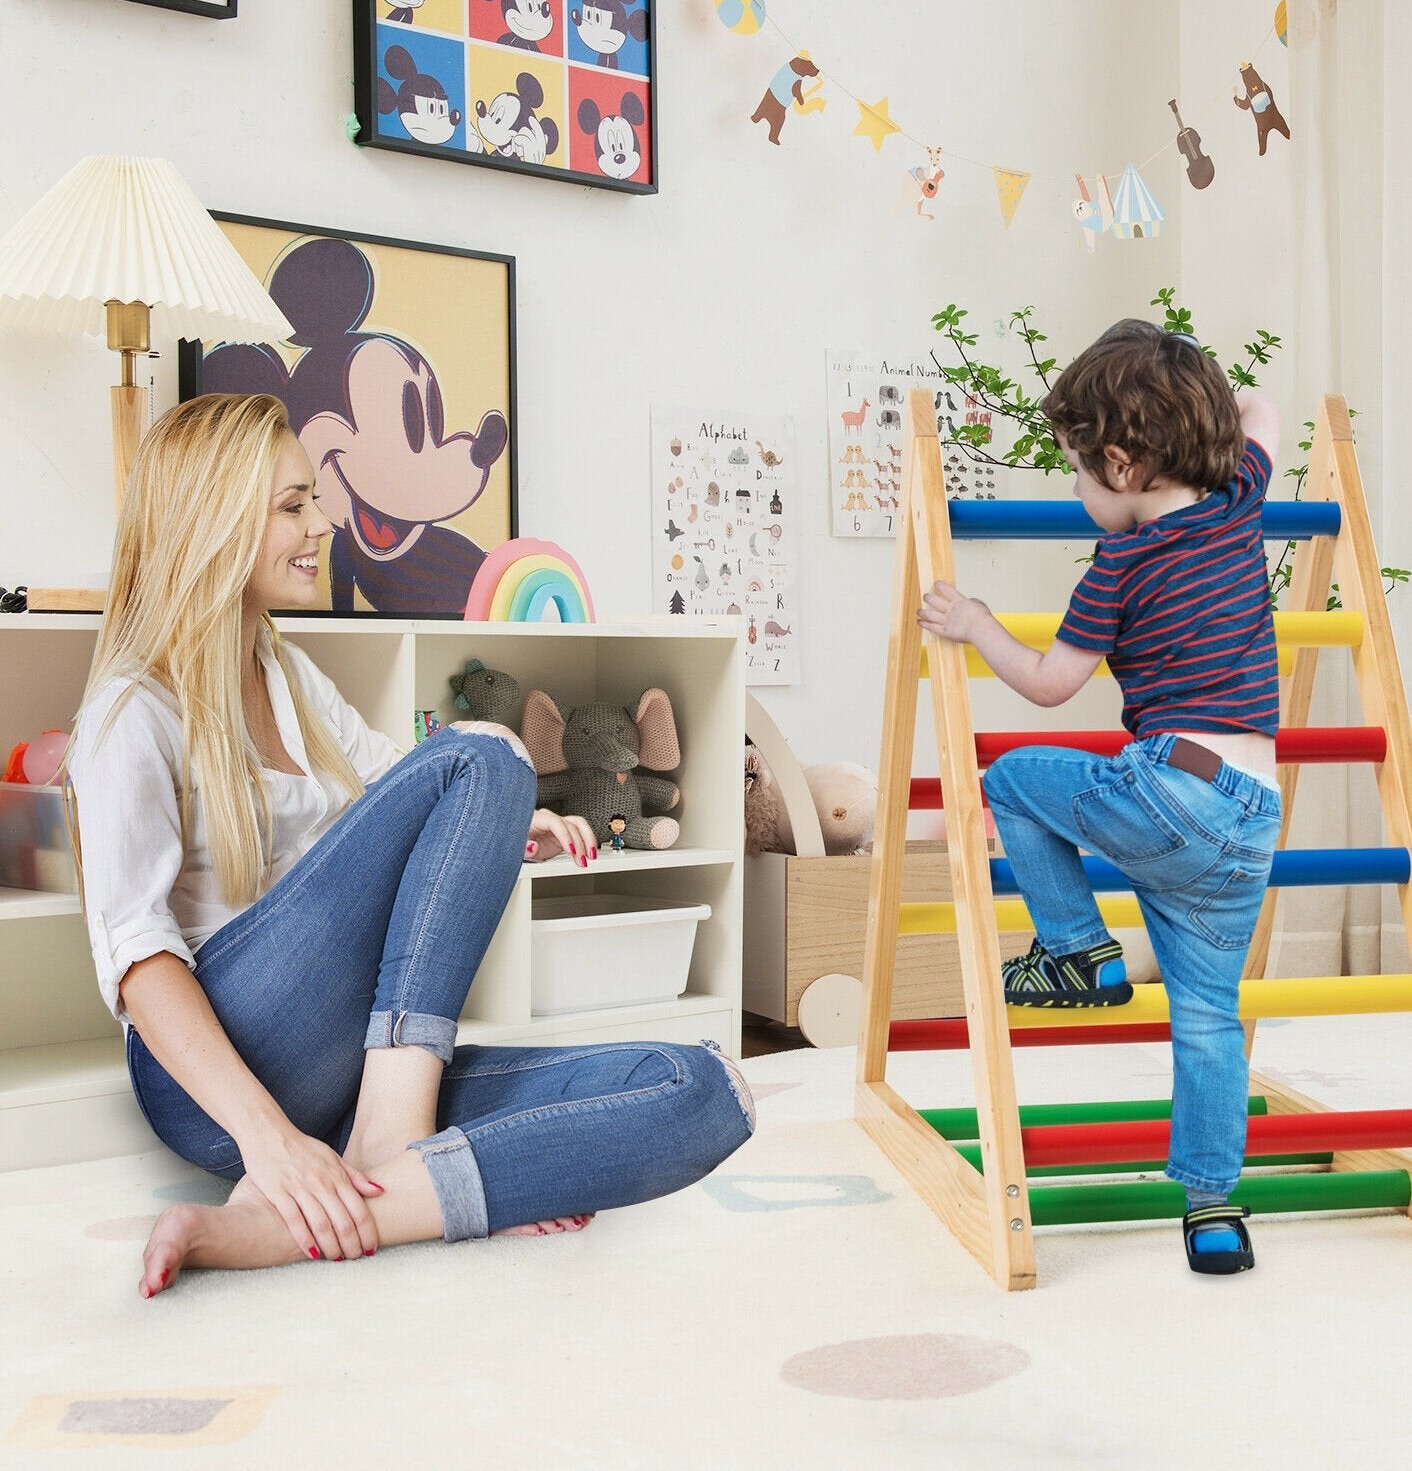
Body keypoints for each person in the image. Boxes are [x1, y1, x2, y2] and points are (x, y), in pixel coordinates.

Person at [68, 393, 754, 1299]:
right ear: (212, 523)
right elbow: (136, 959)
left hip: (348, 1071)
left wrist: (512, 821)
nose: (322, 522)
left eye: (311, 499)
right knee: (487, 752)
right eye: (291, 505)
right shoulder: (130, 709)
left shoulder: (282, 675)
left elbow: (403, 789)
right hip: (219, 1086)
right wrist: (271, 1144)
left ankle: (331, 1207)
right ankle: (395, 1141)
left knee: (698, 1088)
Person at [916, 320, 1283, 1275]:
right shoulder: (1239, 498)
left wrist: (975, 622)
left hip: (1174, 787)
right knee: (1207, 1017)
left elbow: (1047, 684)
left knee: (1010, 778)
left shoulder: (1118, 565)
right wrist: (1204, 414)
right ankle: (1214, 1213)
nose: (1080, 493)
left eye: (1081, 471)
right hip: (1253, 813)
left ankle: (1078, 951)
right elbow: (1261, 410)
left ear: (1121, 464)